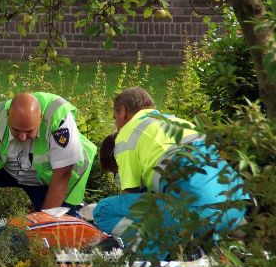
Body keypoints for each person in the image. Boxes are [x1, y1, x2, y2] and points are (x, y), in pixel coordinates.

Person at [92, 87, 249, 258]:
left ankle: (166, 256)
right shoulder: (181, 123)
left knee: (103, 210)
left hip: (196, 213)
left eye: (115, 119)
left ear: (122, 111)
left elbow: (132, 195)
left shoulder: (127, 133)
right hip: (236, 208)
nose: (116, 125)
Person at [0, 92, 97, 214]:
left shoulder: (58, 119)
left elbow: (62, 175)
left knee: (60, 225)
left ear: (41, 117)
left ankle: (83, 212)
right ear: (8, 116)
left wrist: (44, 221)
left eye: (29, 131)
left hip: (49, 179)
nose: (22, 138)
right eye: (16, 130)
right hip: (11, 171)